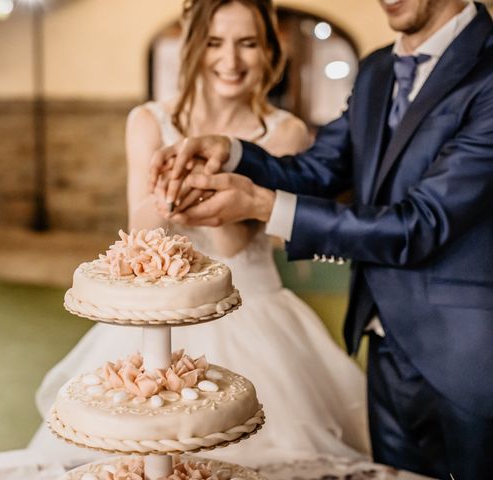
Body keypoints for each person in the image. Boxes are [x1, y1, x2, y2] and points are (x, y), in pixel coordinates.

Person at [151, 1, 493, 478]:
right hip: (383, 344)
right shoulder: (376, 67)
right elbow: (318, 169)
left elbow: (420, 223)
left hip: (469, 357)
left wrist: (262, 206)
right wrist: (231, 152)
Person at [30, 0, 370, 467]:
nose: (230, 61)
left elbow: (233, 244)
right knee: (136, 451)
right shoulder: (149, 120)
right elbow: (141, 230)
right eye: (215, 42)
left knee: (257, 455)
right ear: (193, 47)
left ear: (268, 49)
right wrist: (197, 192)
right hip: (160, 322)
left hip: (253, 309)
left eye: (247, 43)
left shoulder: (284, 131)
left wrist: (195, 189)